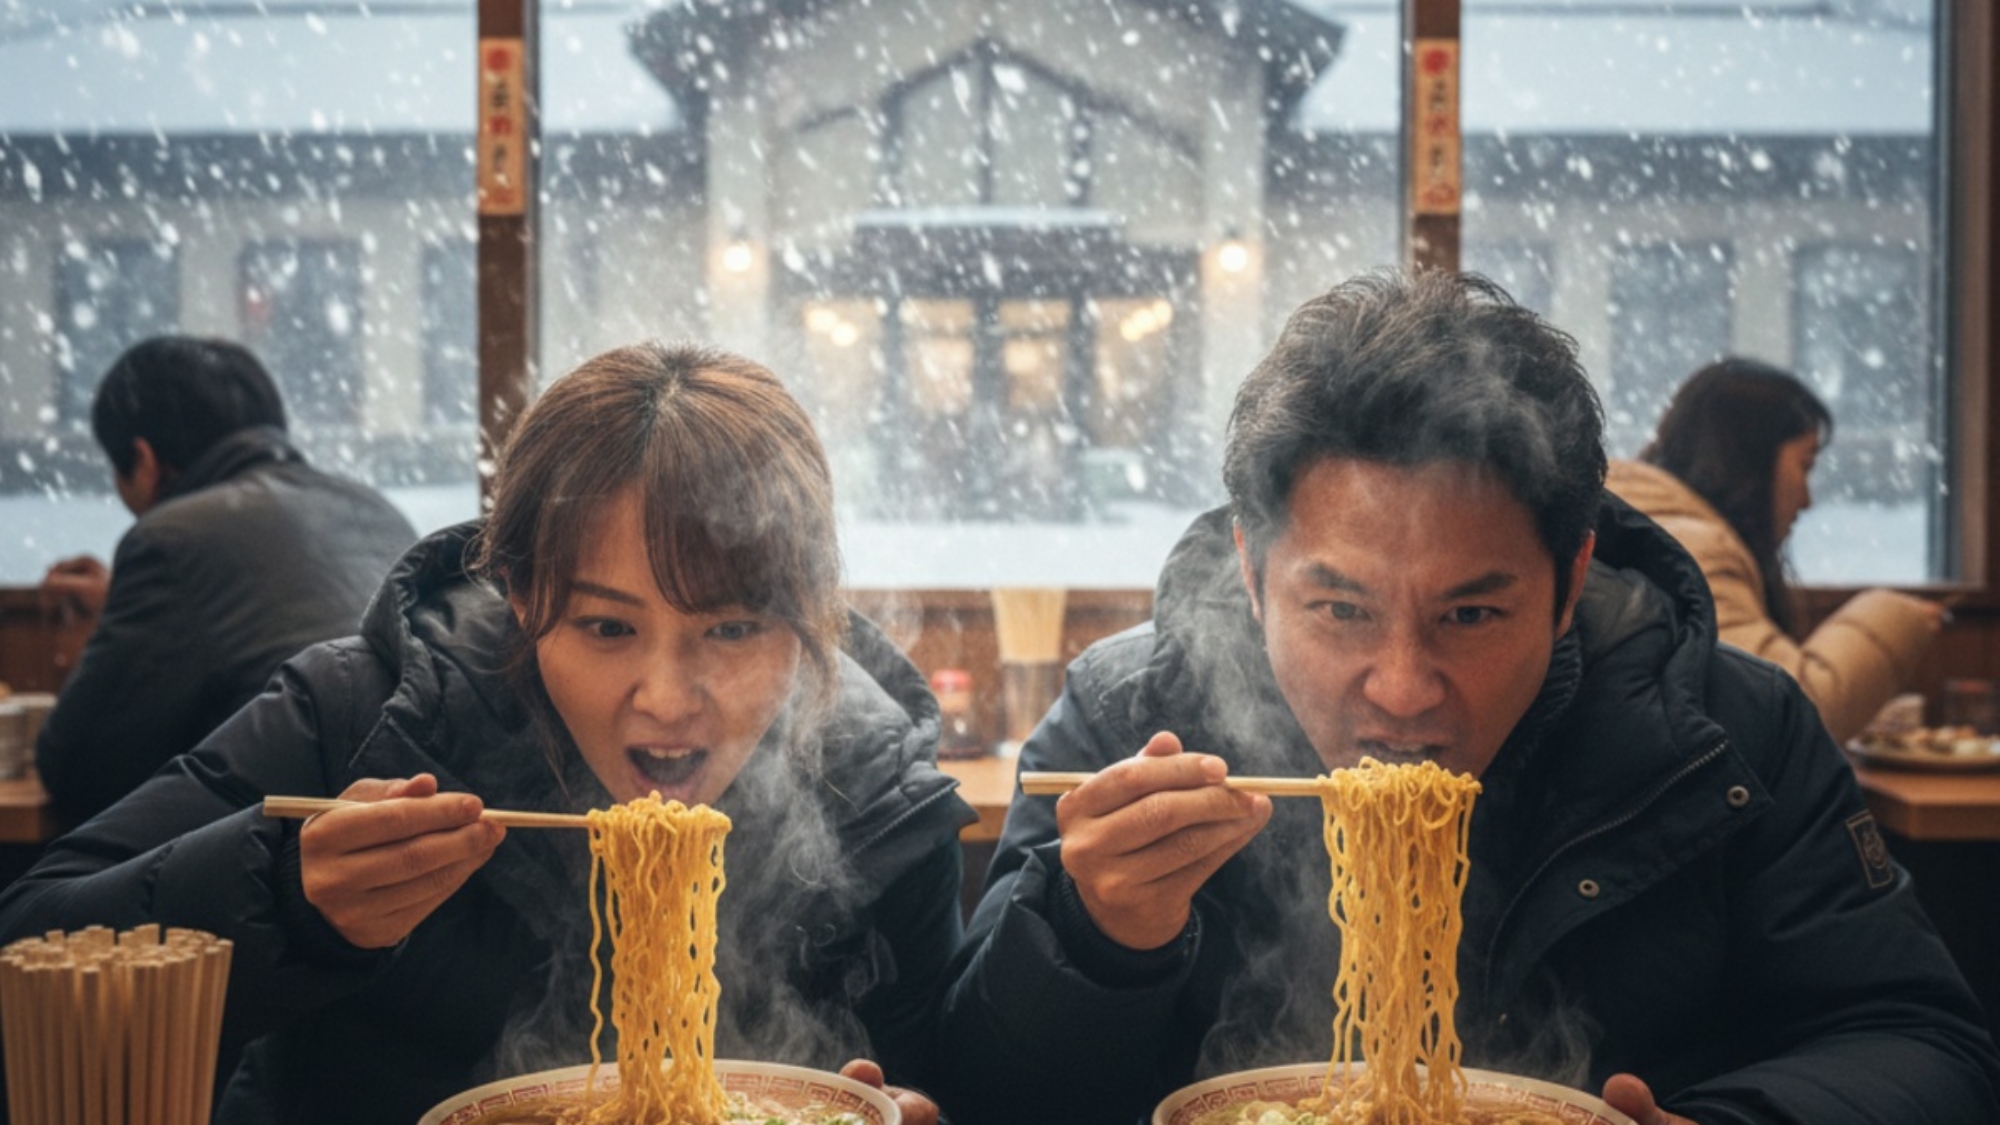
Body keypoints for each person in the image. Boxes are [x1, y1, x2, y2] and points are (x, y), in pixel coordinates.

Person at [931, 272, 2000, 1125]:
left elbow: (1923, 1049)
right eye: (1339, 611)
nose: (1400, 688)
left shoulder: (1728, 735)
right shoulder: (1126, 721)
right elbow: (985, 1097)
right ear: (1254, 575)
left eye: (1470, 616)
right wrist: (1094, 941)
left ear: (1570, 580)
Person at [0, 343, 974, 1125]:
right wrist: (281, 902)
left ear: (807, 614)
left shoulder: (875, 793)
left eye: (731, 628)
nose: (670, 699)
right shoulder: (363, 712)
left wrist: (907, 1107)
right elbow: (31, 948)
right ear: (519, 597)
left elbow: (917, 1079)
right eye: (606, 627)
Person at [33, 335, 417, 824]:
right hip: (423, 820)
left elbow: (76, 771)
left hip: (284, 855)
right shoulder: (376, 511)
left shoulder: (171, 540)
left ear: (144, 461)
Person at [1606, 358, 1947, 744]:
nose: (1806, 499)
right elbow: (1789, 713)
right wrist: (1894, 617)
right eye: (1805, 465)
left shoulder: (1652, 532)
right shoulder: (1694, 552)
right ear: (1750, 462)